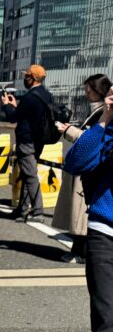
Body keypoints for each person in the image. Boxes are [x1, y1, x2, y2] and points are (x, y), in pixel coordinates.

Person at [63, 87, 113, 332]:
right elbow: (75, 163)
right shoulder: (104, 128)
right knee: (107, 317)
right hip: (104, 232)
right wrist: (105, 119)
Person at [54, 74, 111, 263]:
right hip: (87, 171)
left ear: (98, 91)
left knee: (82, 213)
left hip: (91, 173)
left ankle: (80, 252)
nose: (86, 93)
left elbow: (94, 139)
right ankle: (78, 250)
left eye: (89, 90)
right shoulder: (100, 111)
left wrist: (69, 131)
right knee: (81, 214)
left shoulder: (104, 112)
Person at [1, 64, 54, 222]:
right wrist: (16, 106)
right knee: (26, 174)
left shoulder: (30, 97)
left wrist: (6, 105)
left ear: (33, 78)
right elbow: (29, 115)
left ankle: (38, 212)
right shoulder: (46, 95)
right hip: (39, 141)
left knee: (30, 176)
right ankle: (22, 210)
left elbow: (13, 118)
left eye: (26, 76)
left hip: (26, 141)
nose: (24, 79)